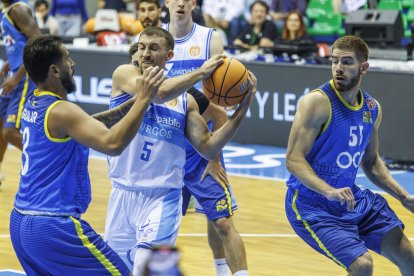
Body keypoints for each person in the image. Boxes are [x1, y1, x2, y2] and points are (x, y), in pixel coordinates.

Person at [101, 27, 256, 276]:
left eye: (153, 48)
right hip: (121, 193)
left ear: (169, 55)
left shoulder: (187, 101)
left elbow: (209, 148)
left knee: (145, 269)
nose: (145, 53)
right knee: (115, 271)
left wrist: (243, 109)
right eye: (142, 47)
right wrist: (201, 72)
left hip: (162, 198)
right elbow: (157, 93)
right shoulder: (124, 74)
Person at [9, 34, 166, 275]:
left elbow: (87, 123)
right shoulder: (63, 111)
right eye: (67, 59)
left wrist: (134, 102)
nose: (72, 64)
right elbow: (113, 143)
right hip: (52, 224)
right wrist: (144, 99)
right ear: (54, 70)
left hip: (20, 222)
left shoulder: (36, 102)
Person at [285, 35, 414, 275]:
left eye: (346, 62)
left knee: (410, 257)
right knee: (362, 266)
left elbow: (372, 162)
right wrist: (328, 191)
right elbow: (293, 159)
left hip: (351, 199)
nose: (338, 69)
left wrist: (403, 196)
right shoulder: (317, 102)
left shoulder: (372, 108)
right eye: (334, 61)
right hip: (311, 204)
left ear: (363, 67)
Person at [164, 0, 248, 275]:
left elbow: (219, 107)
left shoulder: (211, 38)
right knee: (163, 226)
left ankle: (223, 270)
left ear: (193, 4)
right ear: (167, 2)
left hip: (201, 146)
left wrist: (215, 159)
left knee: (221, 222)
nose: (179, 3)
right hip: (167, 147)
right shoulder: (155, 40)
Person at [0, 0, 41, 185]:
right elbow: (20, 43)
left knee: (9, 132)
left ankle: (46, 163)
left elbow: (38, 43)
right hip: (16, 73)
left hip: (25, 78)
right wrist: (11, 61)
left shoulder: (18, 9)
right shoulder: (7, 9)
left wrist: (17, 76)